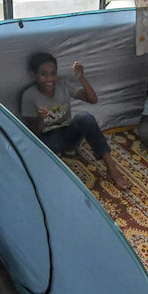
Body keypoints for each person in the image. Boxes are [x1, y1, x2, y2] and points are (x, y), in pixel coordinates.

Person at [20, 51, 130, 190]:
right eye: (43, 74)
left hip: (68, 135)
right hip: (47, 141)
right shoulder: (29, 96)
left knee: (85, 117)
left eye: (53, 73)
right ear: (34, 75)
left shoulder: (63, 85)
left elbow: (92, 99)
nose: (50, 78)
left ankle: (113, 169)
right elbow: (33, 133)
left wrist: (81, 78)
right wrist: (40, 119)